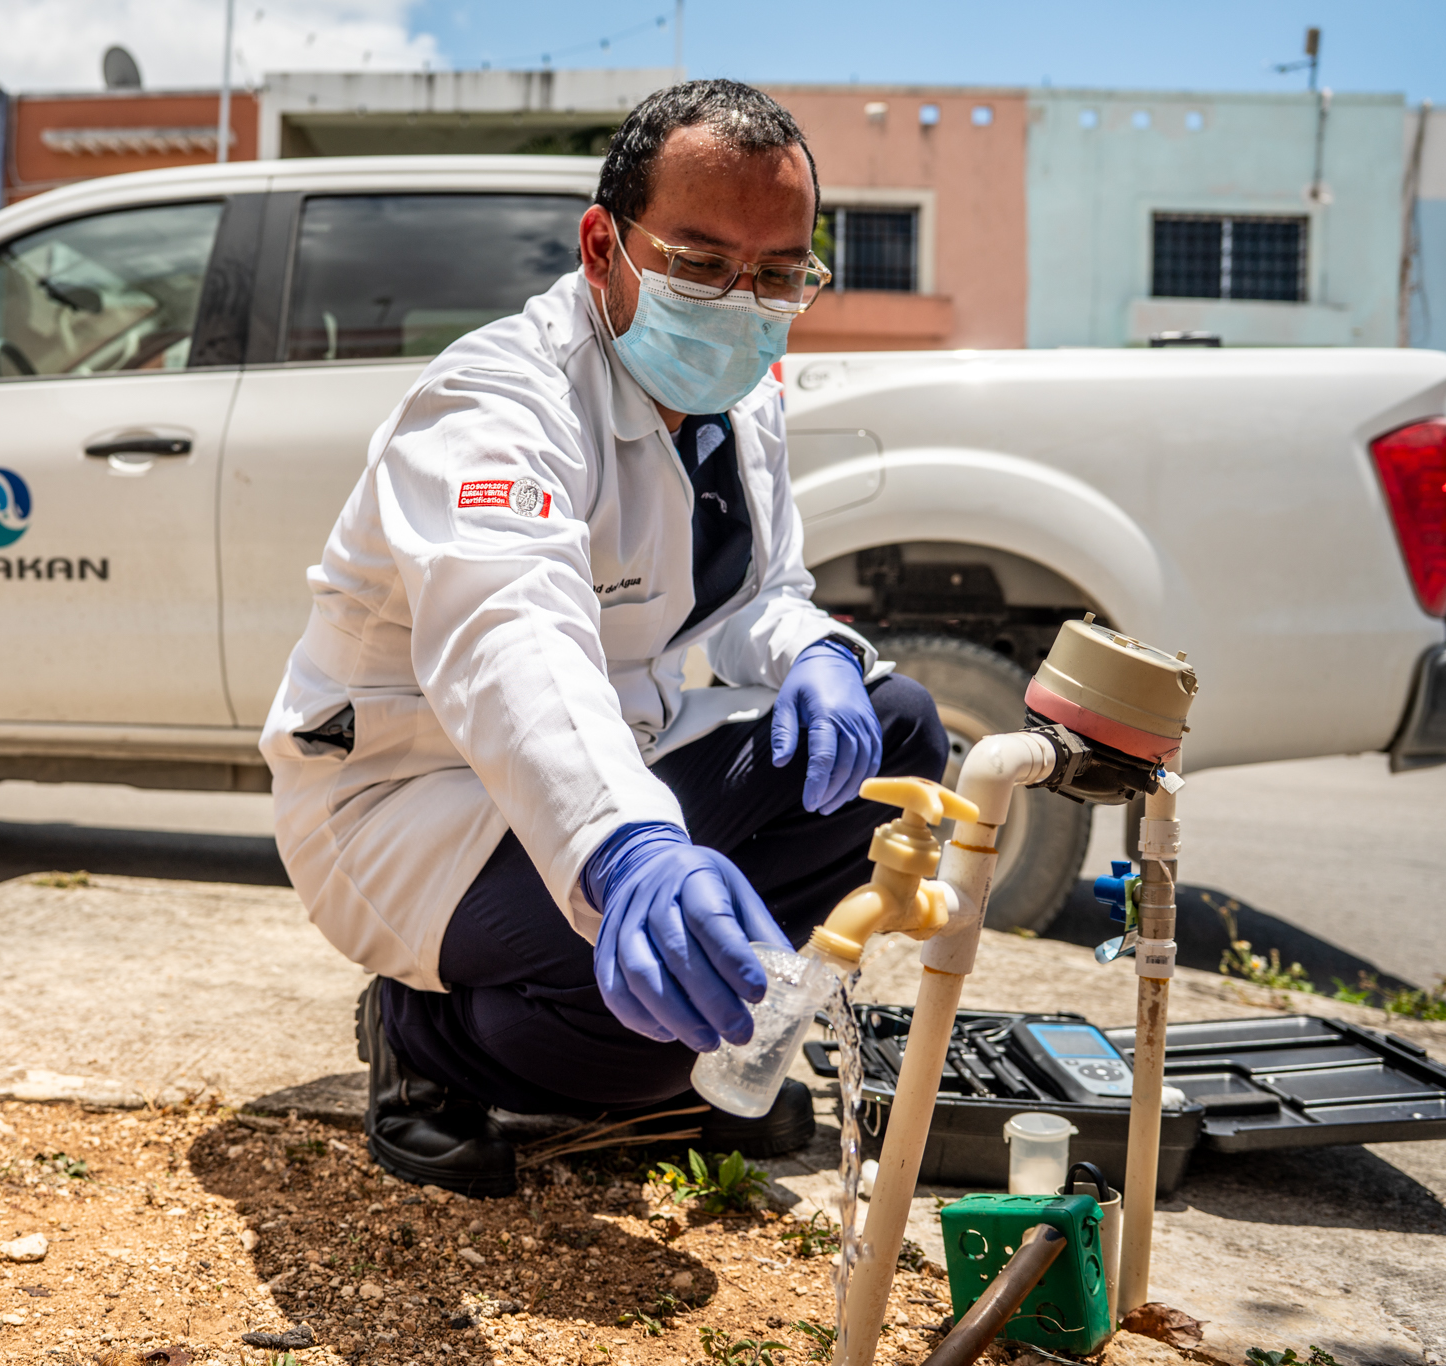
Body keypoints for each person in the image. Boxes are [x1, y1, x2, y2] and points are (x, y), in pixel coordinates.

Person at [261, 80, 948, 1196]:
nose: (740, 303)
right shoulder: (496, 400)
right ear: (601, 245)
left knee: (895, 731)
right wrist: (629, 845)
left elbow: (754, 594)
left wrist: (813, 651)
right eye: (699, 261)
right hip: (411, 800)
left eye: (778, 273)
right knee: (639, 1041)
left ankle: (690, 1027)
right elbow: (507, 632)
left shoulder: (741, 394)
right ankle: (421, 1037)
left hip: (600, 761)